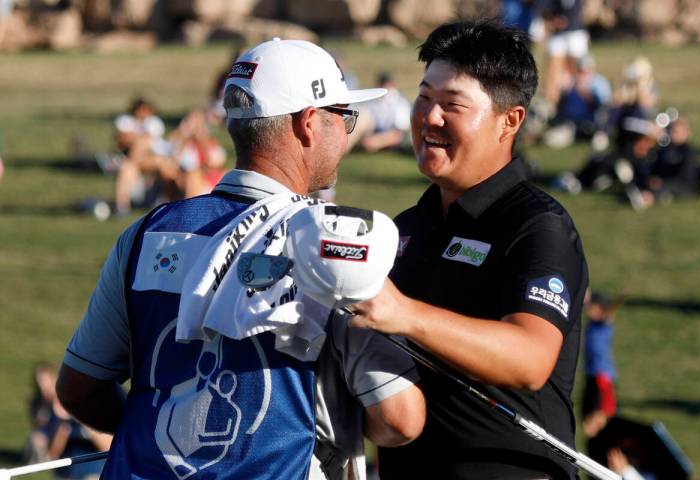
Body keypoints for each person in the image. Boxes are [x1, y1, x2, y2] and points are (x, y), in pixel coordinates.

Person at [56, 38, 424, 480]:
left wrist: (166, 440)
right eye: (343, 118)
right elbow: (400, 417)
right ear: (309, 123)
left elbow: (80, 387)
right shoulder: (338, 246)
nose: (348, 132)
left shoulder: (146, 232)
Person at [348, 20, 589, 479]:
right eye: (423, 98)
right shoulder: (404, 228)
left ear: (510, 121)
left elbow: (530, 359)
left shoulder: (537, 225)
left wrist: (407, 314)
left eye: (451, 105)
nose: (429, 118)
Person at [543, 54, 612, 149]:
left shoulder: (600, 83)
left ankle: (601, 135)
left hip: (593, 124)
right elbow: (561, 106)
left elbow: (603, 107)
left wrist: (585, 92)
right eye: (580, 71)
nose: (583, 74)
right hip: (573, 125)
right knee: (551, 138)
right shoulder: (571, 82)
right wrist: (564, 91)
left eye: (586, 71)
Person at [581, 291, 625, 439]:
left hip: (602, 375)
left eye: (592, 307)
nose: (588, 309)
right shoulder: (593, 323)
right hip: (591, 374)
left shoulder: (604, 322)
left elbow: (609, 314)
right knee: (586, 417)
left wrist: (610, 308)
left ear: (601, 309)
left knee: (600, 415)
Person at [536, 0, 590, 109]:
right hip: (558, 34)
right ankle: (551, 104)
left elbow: (589, 11)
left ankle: (581, 100)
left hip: (576, 32)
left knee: (577, 69)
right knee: (553, 70)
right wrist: (553, 20)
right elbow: (544, 9)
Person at [348, 72, 412, 153]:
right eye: (382, 85)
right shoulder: (374, 100)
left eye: (387, 85)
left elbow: (398, 134)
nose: (385, 87)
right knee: (360, 117)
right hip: (373, 134)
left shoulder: (400, 102)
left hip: (392, 138)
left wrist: (377, 141)